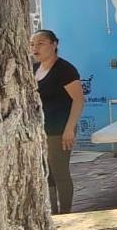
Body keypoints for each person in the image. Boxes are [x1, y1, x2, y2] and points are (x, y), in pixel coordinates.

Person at [30, 29, 84, 214]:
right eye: (32, 44)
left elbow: (78, 100)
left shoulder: (65, 70)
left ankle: (66, 214)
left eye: (41, 43)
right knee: (47, 174)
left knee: (60, 173)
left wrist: (69, 129)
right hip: (40, 130)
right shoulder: (34, 69)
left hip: (59, 129)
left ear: (54, 45)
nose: (35, 48)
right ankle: (52, 213)